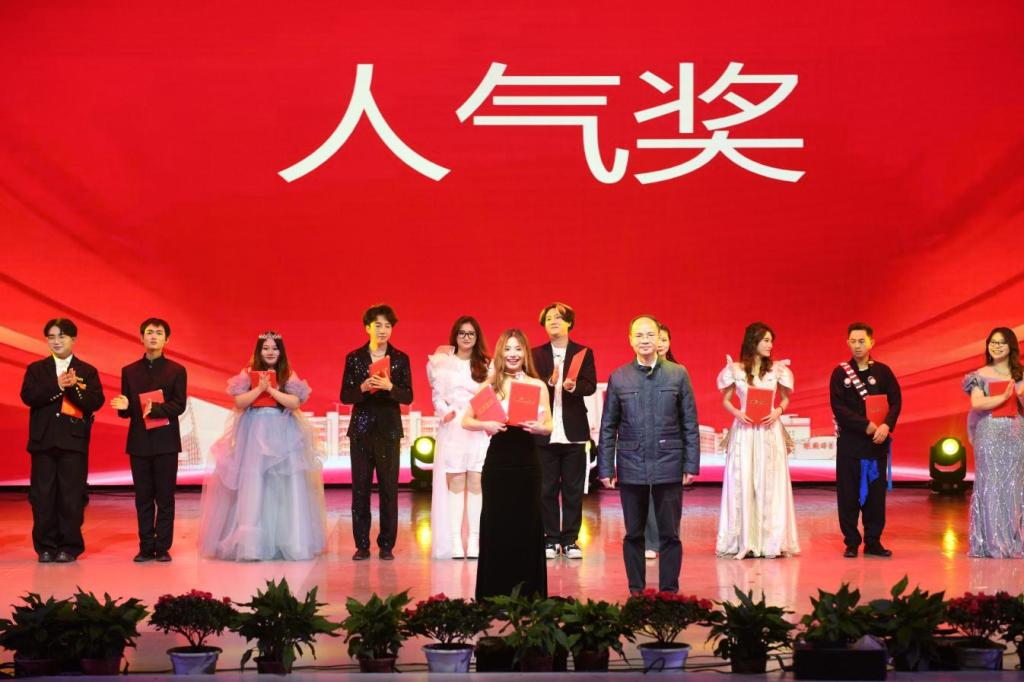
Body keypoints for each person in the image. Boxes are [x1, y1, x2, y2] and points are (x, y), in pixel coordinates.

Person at [199, 331, 326, 560]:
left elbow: (294, 402)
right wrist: (259, 388)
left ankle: (287, 541)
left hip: (283, 436)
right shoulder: (248, 374)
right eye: (265, 348)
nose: (270, 352)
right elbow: (239, 402)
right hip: (254, 437)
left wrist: (271, 389)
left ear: (281, 351)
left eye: (274, 348)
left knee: (284, 485)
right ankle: (251, 546)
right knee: (254, 484)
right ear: (259, 351)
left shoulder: (288, 374)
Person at [598, 315, 700, 594]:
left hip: (669, 462)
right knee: (634, 534)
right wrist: (605, 468)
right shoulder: (619, 377)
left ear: (660, 339)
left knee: (670, 534)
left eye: (650, 335)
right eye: (639, 335)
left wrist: (691, 464)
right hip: (631, 464)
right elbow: (608, 426)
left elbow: (689, 422)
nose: (645, 340)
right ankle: (636, 592)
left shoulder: (678, 374)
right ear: (630, 340)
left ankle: (668, 593)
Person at [464, 328, 552, 599]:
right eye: (508, 349)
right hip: (498, 464)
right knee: (497, 525)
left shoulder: (537, 385)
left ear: (525, 353)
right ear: (500, 353)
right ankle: (495, 593)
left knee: (527, 525)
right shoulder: (490, 385)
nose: (513, 354)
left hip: (528, 463)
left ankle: (528, 594)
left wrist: (539, 427)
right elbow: (466, 420)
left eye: (518, 349)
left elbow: (549, 425)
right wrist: (486, 424)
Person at [20, 318, 104, 563]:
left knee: (71, 496)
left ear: (73, 339)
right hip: (43, 441)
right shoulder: (36, 369)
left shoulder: (87, 370)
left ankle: (69, 546)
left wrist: (74, 387)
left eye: (62, 336)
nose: (56, 341)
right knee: (42, 496)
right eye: (51, 337)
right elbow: (28, 396)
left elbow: (95, 402)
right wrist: (57, 385)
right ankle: (45, 546)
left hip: (73, 442)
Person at [715, 322, 800, 559]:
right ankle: (743, 539)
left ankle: (770, 540)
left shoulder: (777, 370)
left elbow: (785, 399)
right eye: (766, 340)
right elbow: (726, 400)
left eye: (771, 341)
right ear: (753, 341)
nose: (770, 345)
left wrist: (777, 411)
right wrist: (737, 413)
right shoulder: (736, 370)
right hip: (745, 431)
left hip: (769, 430)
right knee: (742, 480)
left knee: (770, 481)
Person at [109, 318, 187, 562]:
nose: (153, 336)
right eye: (149, 332)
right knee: (143, 498)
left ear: (167, 339)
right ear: (141, 337)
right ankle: (145, 547)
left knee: (165, 497)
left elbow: (179, 405)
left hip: (166, 442)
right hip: (139, 442)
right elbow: (127, 410)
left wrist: (155, 409)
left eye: (159, 333)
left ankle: (162, 547)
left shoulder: (177, 370)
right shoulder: (129, 371)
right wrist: (124, 407)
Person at [341, 304, 413, 561]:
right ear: (367, 328)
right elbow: (345, 395)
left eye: (388, 325)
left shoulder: (400, 358)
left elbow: (408, 396)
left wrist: (390, 387)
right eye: (378, 325)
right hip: (361, 432)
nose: (383, 330)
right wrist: (362, 387)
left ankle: (386, 545)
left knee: (389, 490)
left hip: (389, 431)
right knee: (360, 489)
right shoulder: (354, 357)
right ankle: (362, 545)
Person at [531, 302, 597, 560]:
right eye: (549, 318)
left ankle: (570, 540)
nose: (554, 321)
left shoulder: (583, 353)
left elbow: (590, 385)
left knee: (573, 490)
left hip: (574, 432)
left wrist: (572, 386)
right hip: (545, 431)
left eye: (559, 317)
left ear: (569, 322)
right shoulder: (535, 354)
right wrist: (549, 382)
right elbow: (529, 385)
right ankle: (550, 538)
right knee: (545, 489)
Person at [829, 322, 901, 558]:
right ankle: (851, 542)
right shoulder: (840, 373)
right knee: (848, 495)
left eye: (862, 341)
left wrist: (886, 425)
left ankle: (873, 542)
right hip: (850, 445)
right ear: (847, 343)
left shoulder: (883, 372)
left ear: (872, 342)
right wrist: (865, 425)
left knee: (875, 496)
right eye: (853, 341)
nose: (857, 346)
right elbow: (839, 408)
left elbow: (896, 401)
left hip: (875, 445)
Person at [427, 316, 491, 559]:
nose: (466, 337)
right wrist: (444, 412)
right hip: (453, 427)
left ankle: (473, 540)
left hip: (478, 427)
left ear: (477, 337)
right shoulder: (442, 363)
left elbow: (492, 396)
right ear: (455, 335)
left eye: (471, 334)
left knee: (476, 482)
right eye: (462, 333)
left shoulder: (486, 365)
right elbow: (436, 396)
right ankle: (455, 541)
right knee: (455, 483)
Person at [962, 327, 1024, 558]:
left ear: (1011, 347)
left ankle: (1015, 540)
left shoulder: (1020, 375)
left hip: (1016, 434)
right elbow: (977, 403)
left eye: (1001, 342)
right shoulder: (979, 375)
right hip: (989, 433)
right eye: (993, 342)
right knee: (990, 485)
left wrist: (1019, 395)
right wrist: (1003, 396)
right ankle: (991, 542)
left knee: (1014, 486)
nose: (996, 346)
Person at [644, 322, 678, 559]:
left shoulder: (678, 373)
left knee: (668, 497)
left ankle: (668, 539)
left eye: (665, 340)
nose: (661, 344)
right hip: (647, 443)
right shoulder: (639, 371)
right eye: (659, 339)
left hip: (670, 444)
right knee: (647, 493)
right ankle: (650, 542)